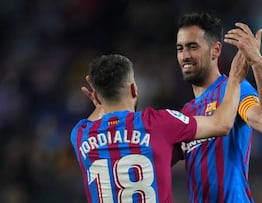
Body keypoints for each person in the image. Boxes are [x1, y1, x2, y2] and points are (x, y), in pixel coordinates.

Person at [70, 51, 248, 203]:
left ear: (97, 97)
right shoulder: (158, 123)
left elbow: (96, 120)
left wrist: (101, 103)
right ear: (134, 89)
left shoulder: (80, 135)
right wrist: (234, 79)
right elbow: (222, 124)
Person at [174, 12, 262, 202]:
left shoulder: (235, 90)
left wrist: (257, 63)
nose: (185, 55)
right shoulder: (187, 111)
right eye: (180, 48)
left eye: (193, 47)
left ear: (215, 50)